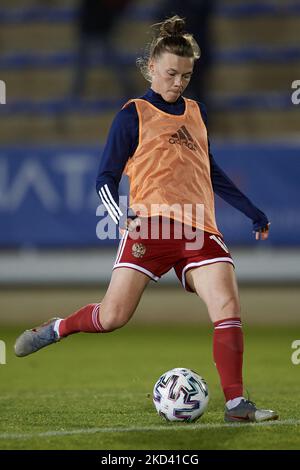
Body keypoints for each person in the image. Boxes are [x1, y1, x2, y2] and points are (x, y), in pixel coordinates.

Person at [15, 16, 278, 423]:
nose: (178, 82)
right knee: (113, 316)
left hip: (198, 225)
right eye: (171, 73)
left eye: (186, 75)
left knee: (226, 305)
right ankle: (58, 328)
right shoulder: (132, 114)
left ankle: (236, 404)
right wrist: (120, 215)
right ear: (151, 67)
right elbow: (105, 175)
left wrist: (252, 211)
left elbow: (209, 170)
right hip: (150, 225)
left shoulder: (197, 111)